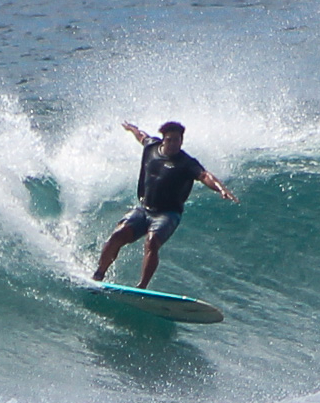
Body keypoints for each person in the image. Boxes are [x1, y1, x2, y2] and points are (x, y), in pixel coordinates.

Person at [92, 120, 238, 289]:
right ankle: (98, 275)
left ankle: (142, 287)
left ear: (181, 141)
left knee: (152, 241)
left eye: (177, 140)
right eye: (169, 139)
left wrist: (221, 189)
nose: (173, 144)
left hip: (168, 214)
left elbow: (205, 175)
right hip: (144, 209)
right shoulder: (151, 147)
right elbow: (141, 136)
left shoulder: (187, 163)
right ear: (163, 140)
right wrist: (131, 128)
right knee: (117, 235)